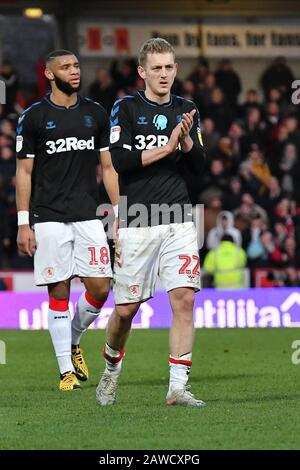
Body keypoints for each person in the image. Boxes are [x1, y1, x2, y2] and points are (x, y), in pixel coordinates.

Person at [96, 38, 206, 408]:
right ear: (142, 72)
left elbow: (199, 170)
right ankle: (111, 369)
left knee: (183, 300)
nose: (164, 74)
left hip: (178, 218)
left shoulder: (187, 108)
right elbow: (121, 161)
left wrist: (187, 141)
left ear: (176, 70)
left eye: (169, 67)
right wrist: (169, 145)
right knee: (126, 311)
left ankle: (177, 387)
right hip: (137, 219)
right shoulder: (124, 108)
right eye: (156, 68)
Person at [15, 50, 119, 391]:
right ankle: (65, 372)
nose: (74, 71)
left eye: (76, 66)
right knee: (58, 291)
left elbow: (108, 168)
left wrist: (120, 212)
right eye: (66, 67)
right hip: (48, 218)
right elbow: (24, 172)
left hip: (88, 214)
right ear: (48, 73)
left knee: (101, 287)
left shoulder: (95, 114)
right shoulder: (33, 117)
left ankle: (73, 338)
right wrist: (23, 223)